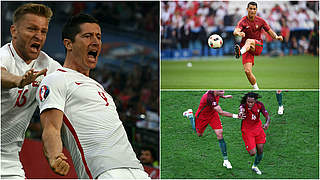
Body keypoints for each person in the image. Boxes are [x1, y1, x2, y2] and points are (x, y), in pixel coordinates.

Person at [36, 13, 150, 179]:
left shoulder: (100, 89)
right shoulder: (56, 79)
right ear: (68, 44)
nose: (96, 42)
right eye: (87, 36)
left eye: (98, 36)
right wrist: (54, 155)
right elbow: (51, 127)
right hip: (104, 171)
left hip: (137, 170)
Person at [1, 3, 61, 179]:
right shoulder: (4, 56)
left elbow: (70, 82)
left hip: (8, 159)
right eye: (32, 29)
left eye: (43, 31)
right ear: (14, 31)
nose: (38, 36)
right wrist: (19, 80)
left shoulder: (48, 66)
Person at [183, 90, 240, 169]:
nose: (223, 91)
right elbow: (221, 112)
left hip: (213, 114)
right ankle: (190, 116)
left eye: (223, 90)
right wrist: (237, 116)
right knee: (199, 134)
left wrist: (223, 96)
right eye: (221, 91)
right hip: (202, 117)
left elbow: (216, 95)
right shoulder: (209, 98)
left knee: (219, 134)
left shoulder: (214, 92)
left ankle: (226, 161)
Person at [233, 1, 283, 90]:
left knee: (249, 41)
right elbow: (235, 31)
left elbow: (270, 32)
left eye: (254, 9)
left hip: (257, 46)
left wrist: (277, 37)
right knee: (247, 71)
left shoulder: (261, 21)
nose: (252, 11)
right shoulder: (243, 21)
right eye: (251, 9)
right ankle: (257, 89)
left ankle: (239, 52)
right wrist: (239, 33)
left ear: (256, 10)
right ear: (247, 9)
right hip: (247, 49)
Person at [238, 92, 270, 175]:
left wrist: (266, 123)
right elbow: (241, 109)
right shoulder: (243, 105)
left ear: (255, 101)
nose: (250, 104)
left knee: (260, 150)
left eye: (252, 102)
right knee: (252, 153)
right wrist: (241, 113)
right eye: (248, 101)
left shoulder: (260, 105)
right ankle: (250, 143)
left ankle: (255, 166)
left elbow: (267, 116)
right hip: (247, 130)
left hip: (258, 128)